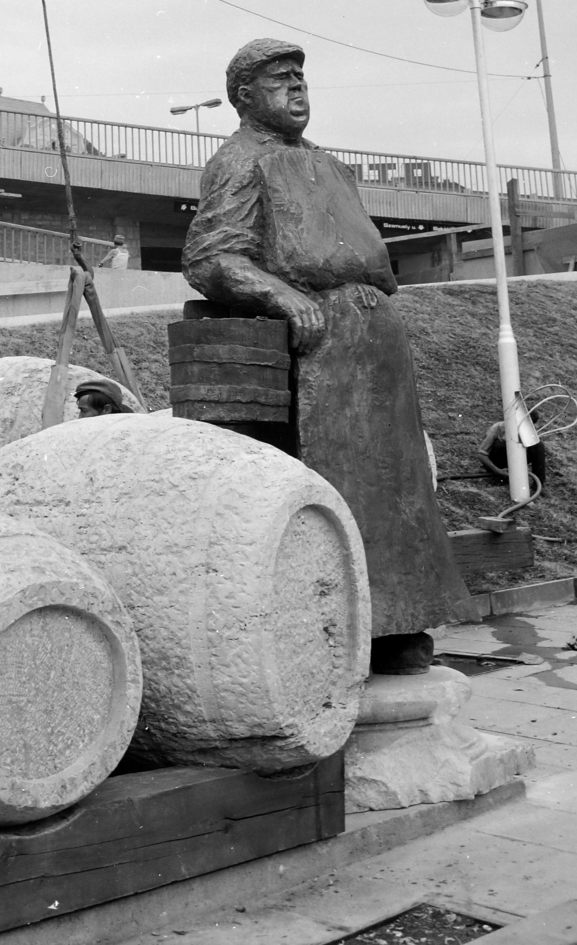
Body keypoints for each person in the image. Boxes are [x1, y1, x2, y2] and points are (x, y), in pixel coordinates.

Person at [181, 39, 474, 676]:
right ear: (245, 96)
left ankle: (401, 618)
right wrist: (284, 295)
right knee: (338, 484)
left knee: (398, 488)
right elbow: (210, 258)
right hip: (318, 345)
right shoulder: (240, 160)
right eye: (281, 80)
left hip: (373, 339)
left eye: (301, 79)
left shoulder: (330, 164)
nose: (298, 89)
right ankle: (343, 622)